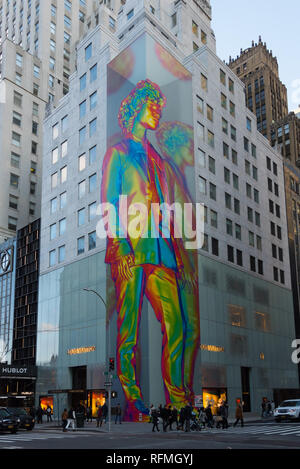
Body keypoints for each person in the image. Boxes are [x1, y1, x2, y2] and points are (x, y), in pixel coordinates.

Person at [101, 79, 193, 420]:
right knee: (129, 332)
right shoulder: (119, 154)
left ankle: (178, 397)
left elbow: (166, 208)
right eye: (153, 105)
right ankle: (133, 394)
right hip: (130, 251)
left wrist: (179, 255)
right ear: (137, 109)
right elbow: (110, 203)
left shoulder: (157, 158)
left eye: (159, 106)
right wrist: (119, 247)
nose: (158, 111)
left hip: (161, 251)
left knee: (177, 325)